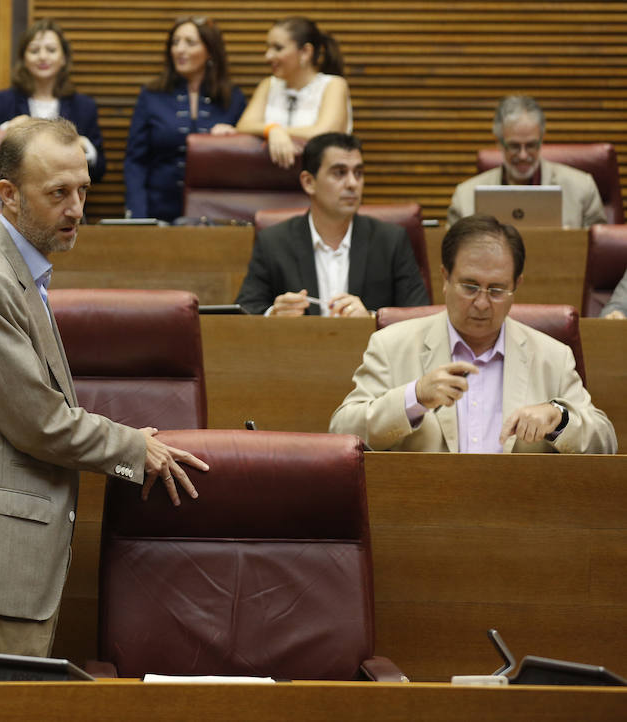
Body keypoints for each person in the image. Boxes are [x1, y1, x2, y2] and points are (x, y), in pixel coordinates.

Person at [0, 117, 208, 672]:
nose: (76, 209)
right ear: (10, 195)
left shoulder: (14, 268)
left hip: (1, 555)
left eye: (84, 191)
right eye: (58, 194)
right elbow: (38, 422)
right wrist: (132, 450)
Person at [329, 214, 617, 454]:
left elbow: (605, 443)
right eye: (469, 286)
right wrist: (413, 397)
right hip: (425, 510)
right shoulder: (392, 345)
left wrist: (559, 419)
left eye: (496, 289)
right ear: (445, 278)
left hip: (520, 511)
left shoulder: (552, 356)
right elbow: (343, 432)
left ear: (516, 285)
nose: (481, 302)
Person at [235, 133, 429, 317]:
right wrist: (273, 314)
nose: (353, 183)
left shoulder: (391, 241)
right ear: (309, 182)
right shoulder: (274, 242)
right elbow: (245, 311)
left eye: (358, 173)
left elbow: (419, 317)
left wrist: (371, 319)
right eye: (339, 173)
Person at [123, 16, 246, 222]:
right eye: (175, 42)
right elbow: (135, 162)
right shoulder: (152, 95)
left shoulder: (231, 98)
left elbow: (242, 163)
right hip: (158, 211)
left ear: (210, 51)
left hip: (216, 215)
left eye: (190, 43)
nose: (180, 49)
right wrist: (138, 215)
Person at [447, 95, 606, 228]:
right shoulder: (465, 197)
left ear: (542, 141)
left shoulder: (582, 189)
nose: (523, 155)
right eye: (514, 146)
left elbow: (599, 255)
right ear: (499, 143)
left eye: (531, 145)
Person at [0, 19, 106, 183]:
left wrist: (84, 147)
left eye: (51, 50)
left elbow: (99, 171)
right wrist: (6, 130)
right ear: (23, 58)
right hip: (15, 198)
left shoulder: (84, 107)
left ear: (63, 58)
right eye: (34, 50)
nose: (42, 57)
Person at [235, 16, 352, 169]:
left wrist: (280, 132)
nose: (268, 56)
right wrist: (272, 130)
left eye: (278, 48)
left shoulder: (334, 85)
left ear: (305, 52)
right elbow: (244, 126)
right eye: (268, 48)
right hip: (272, 179)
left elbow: (324, 133)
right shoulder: (268, 84)